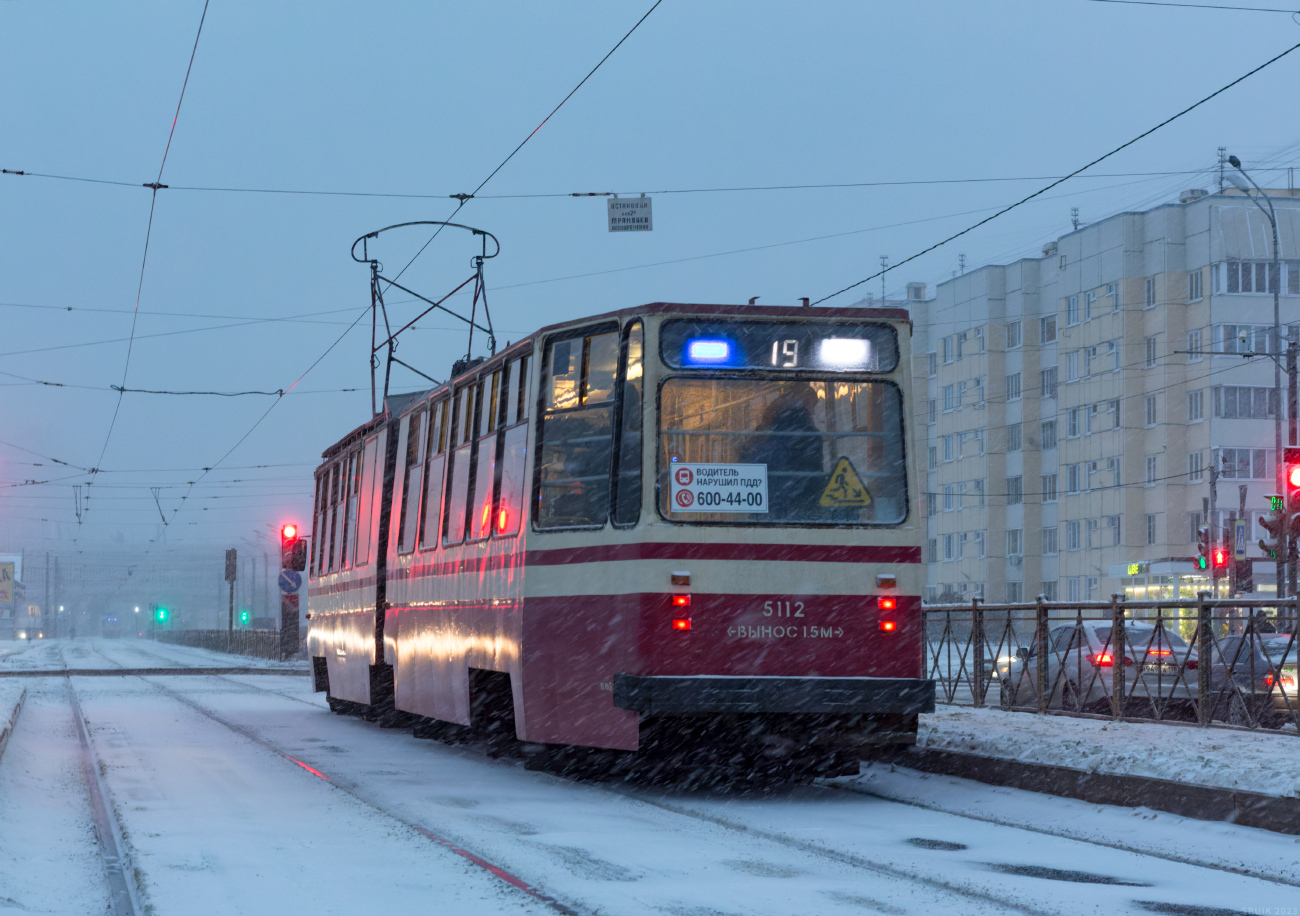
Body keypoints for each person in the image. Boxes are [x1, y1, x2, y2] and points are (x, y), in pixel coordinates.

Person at [743, 385, 824, 520]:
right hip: (800, 510)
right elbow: (813, 476)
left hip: (765, 510)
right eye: (811, 405)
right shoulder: (809, 435)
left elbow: (748, 466)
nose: (813, 412)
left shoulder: (762, 435)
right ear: (801, 404)